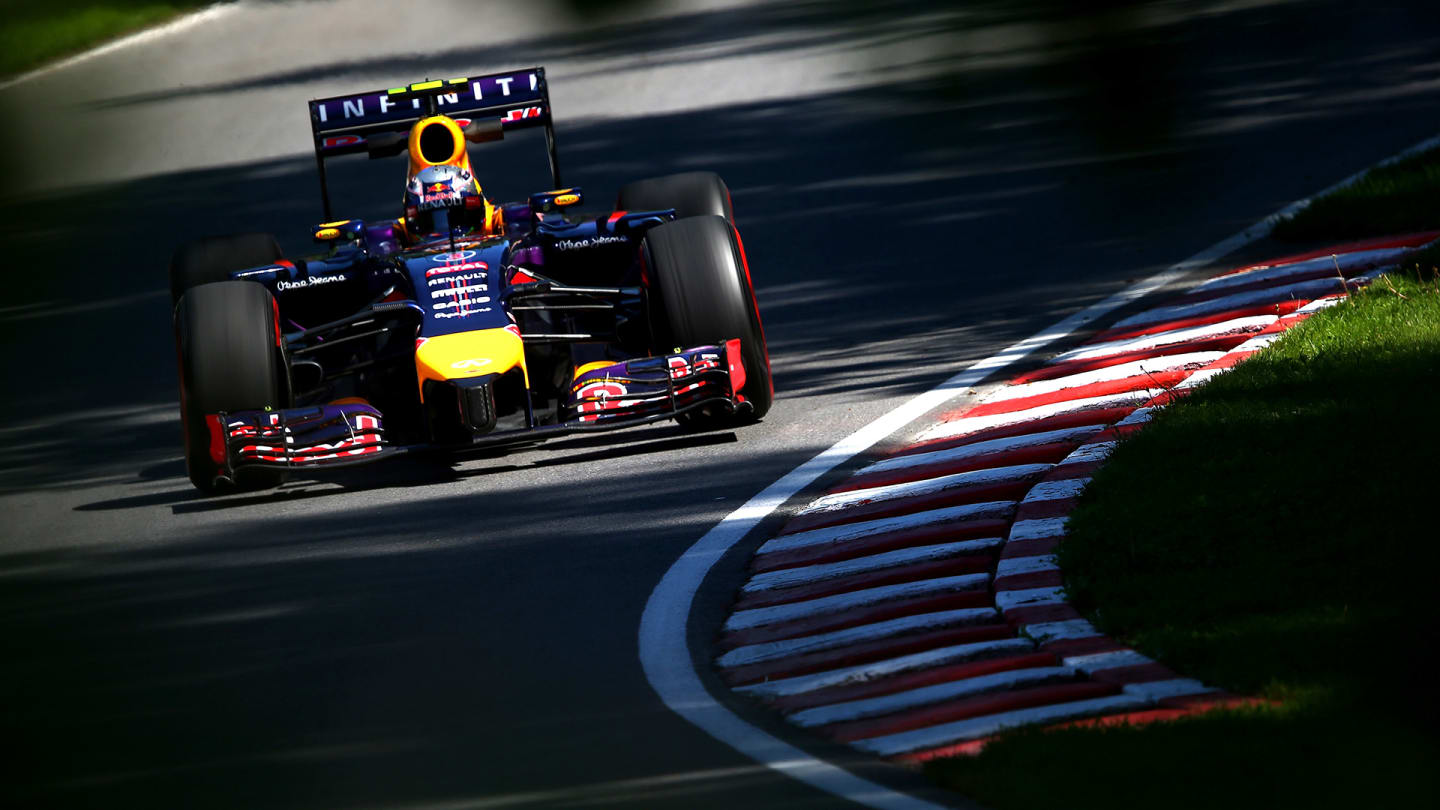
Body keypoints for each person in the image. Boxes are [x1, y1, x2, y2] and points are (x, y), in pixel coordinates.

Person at [398, 115, 504, 242]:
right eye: (428, 223)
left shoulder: (495, 219)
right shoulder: (398, 231)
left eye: (458, 217)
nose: (448, 237)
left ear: (480, 210)